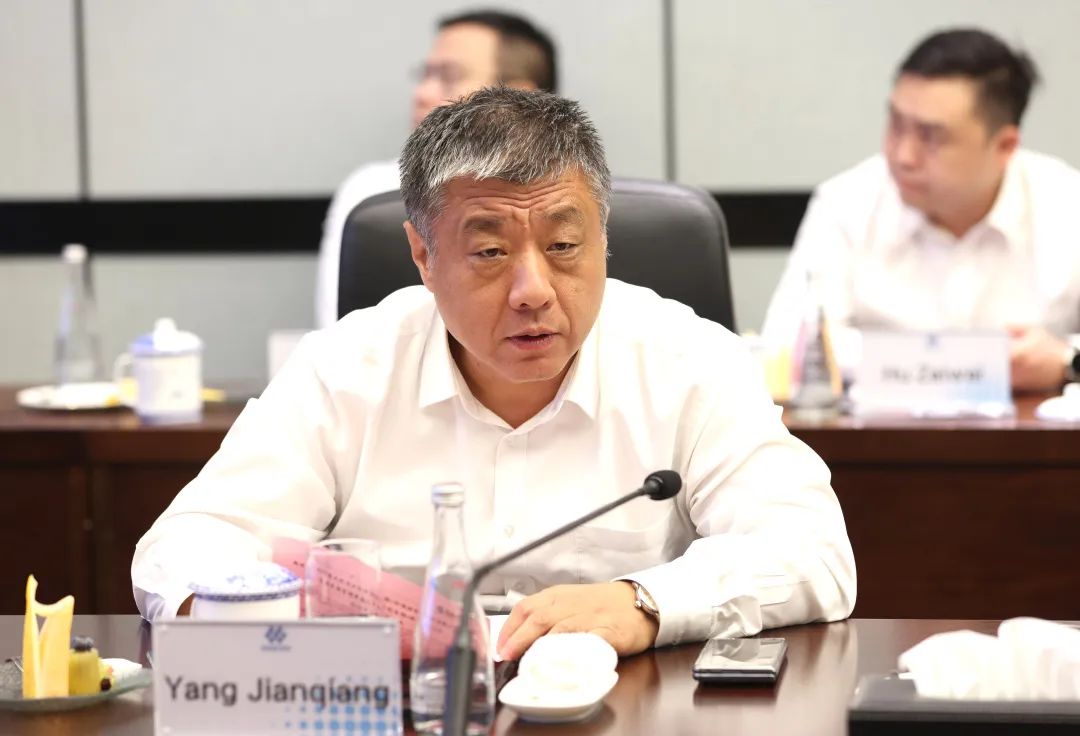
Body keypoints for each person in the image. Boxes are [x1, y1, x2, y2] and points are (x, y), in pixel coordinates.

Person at [133, 88, 856, 660]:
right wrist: (292, 622)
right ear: (423, 257)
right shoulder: (345, 370)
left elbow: (813, 551)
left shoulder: (689, 361)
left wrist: (643, 602)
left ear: (604, 238)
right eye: (489, 253)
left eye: (564, 245)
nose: (533, 290)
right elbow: (184, 549)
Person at [763, 28, 1080, 392]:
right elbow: (787, 344)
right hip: (875, 429)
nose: (902, 156)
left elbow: (1067, 358)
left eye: (931, 137)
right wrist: (969, 366)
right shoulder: (846, 202)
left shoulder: (1068, 204)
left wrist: (1067, 360)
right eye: (896, 125)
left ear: (1005, 146)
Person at [315, 10, 557, 329]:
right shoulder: (372, 192)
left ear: (518, 98)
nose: (422, 94)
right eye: (425, 75)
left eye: (449, 77)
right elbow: (339, 331)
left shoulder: (577, 191)